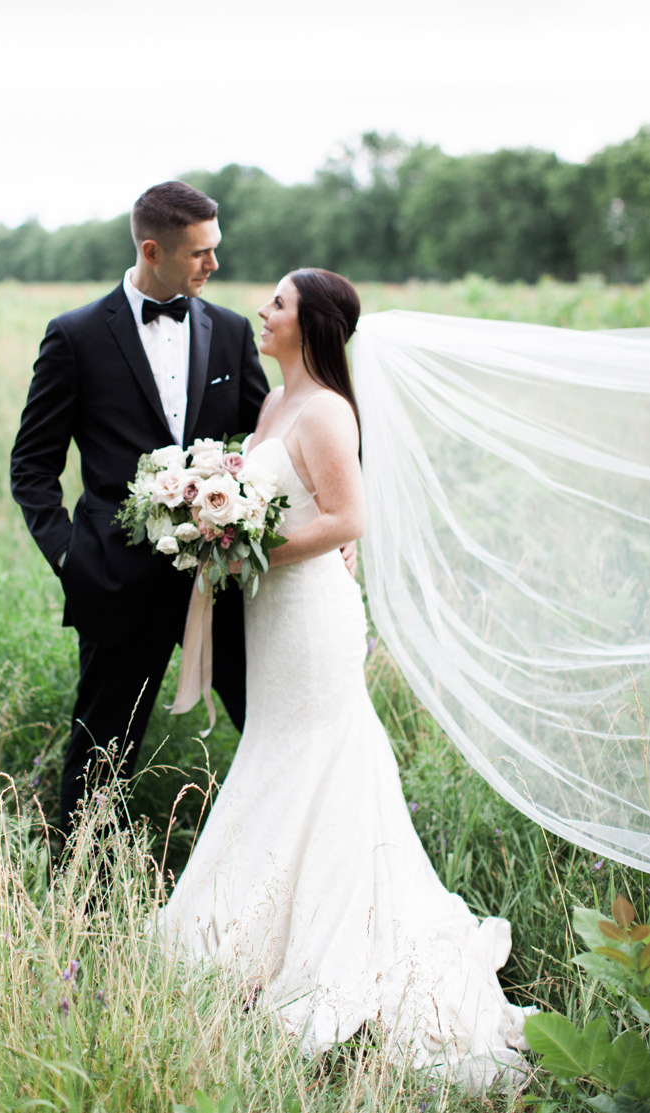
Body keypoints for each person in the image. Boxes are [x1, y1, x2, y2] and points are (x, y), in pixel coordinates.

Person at [151, 268, 530, 1091]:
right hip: (272, 615)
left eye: (278, 303)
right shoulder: (271, 406)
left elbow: (347, 517)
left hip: (313, 616)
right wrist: (226, 528)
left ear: (310, 323)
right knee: (278, 750)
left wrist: (239, 546)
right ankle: (258, 935)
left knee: (319, 753)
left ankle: (333, 941)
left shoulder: (325, 409)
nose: (261, 310)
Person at [11, 181, 269, 842]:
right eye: (199, 254)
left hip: (222, 581)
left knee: (269, 727)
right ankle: (84, 900)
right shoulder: (73, 336)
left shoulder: (232, 332)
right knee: (101, 751)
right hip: (115, 580)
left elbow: (264, 446)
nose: (213, 265)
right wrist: (72, 557)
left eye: (215, 250)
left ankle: (274, 876)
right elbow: (32, 466)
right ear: (152, 250)